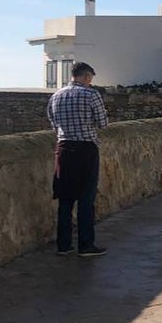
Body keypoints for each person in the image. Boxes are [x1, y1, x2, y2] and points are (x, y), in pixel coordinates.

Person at [48, 61, 109, 257]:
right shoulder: (91, 94)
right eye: (90, 78)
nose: (90, 82)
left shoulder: (56, 96)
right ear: (86, 76)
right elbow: (103, 123)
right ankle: (85, 245)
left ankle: (63, 245)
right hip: (86, 149)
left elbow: (53, 123)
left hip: (64, 149)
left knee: (65, 199)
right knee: (86, 198)